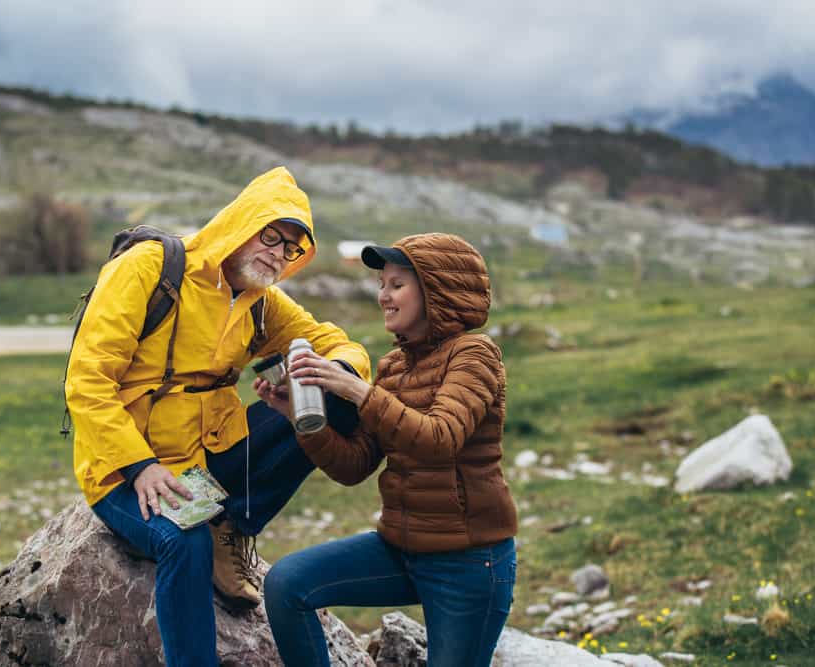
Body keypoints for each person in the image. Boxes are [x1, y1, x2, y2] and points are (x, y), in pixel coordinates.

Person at [64, 166, 371, 667]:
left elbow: (337, 343)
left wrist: (331, 370)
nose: (277, 253)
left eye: (291, 247)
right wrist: (140, 466)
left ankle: (231, 525)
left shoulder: (262, 302)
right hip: (128, 463)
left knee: (335, 395)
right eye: (270, 235)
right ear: (241, 223)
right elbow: (88, 380)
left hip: (212, 452)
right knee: (183, 542)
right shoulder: (148, 269)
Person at [258, 232, 519, 667]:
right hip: (400, 548)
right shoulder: (395, 366)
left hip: (468, 564)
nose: (384, 296)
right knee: (288, 584)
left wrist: (359, 392)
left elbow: (440, 438)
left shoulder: (475, 355)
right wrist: (301, 420)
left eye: (397, 285)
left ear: (436, 290)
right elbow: (354, 465)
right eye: (382, 285)